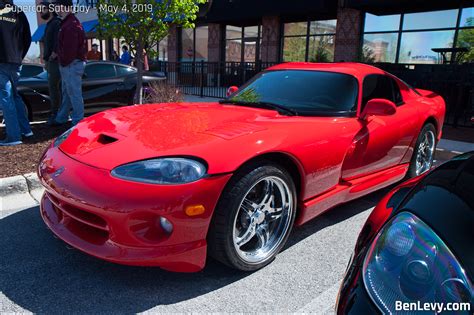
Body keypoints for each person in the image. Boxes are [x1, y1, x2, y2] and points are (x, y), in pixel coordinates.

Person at [0, 0, 33, 146]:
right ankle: (26, 130)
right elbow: (27, 37)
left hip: (1, 60)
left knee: (6, 98)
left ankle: (13, 136)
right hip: (15, 60)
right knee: (14, 96)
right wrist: (19, 55)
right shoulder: (18, 12)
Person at [53, 0, 86, 126]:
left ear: (66, 7)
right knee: (68, 93)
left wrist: (63, 62)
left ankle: (78, 122)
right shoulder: (68, 23)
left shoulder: (71, 25)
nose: (56, 8)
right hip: (70, 64)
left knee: (74, 94)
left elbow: (69, 50)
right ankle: (62, 118)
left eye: (57, 6)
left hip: (71, 64)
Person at [40, 1, 61, 125]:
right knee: (53, 88)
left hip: (55, 62)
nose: (40, 12)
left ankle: (56, 113)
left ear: (50, 9)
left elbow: (59, 40)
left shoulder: (56, 23)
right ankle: (56, 113)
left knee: (55, 88)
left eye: (42, 9)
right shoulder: (49, 24)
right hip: (50, 61)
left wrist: (54, 53)